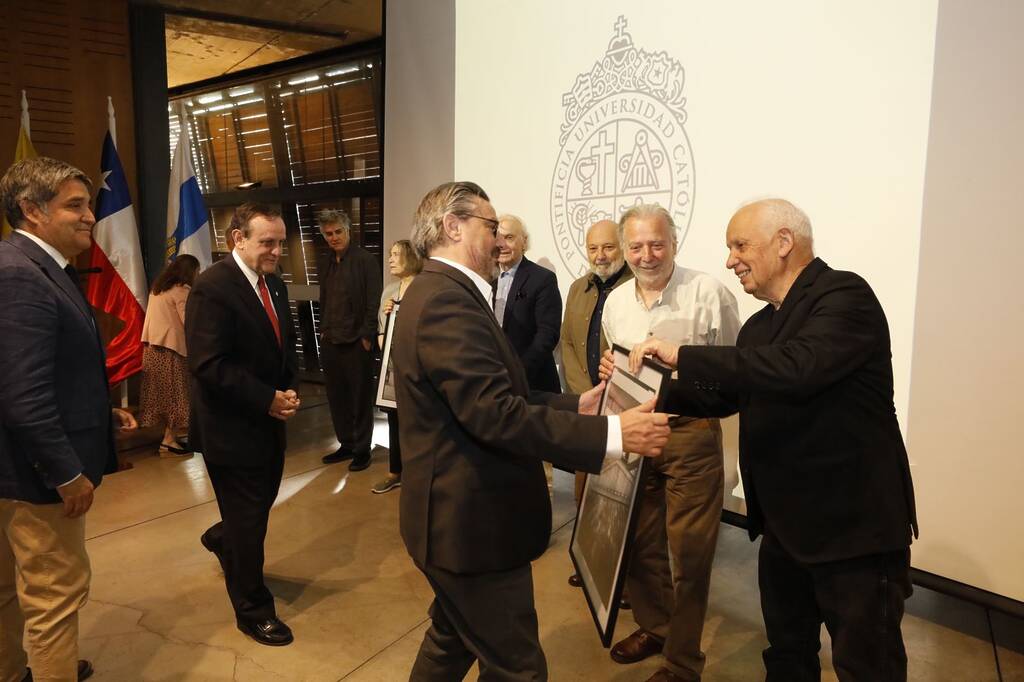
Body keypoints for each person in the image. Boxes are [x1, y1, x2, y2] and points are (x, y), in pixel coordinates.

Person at [623, 198, 918, 682]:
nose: (730, 260)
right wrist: (650, 391)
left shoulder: (844, 295)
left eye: (740, 246)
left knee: (868, 665)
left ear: (784, 242)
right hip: (785, 530)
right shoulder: (760, 325)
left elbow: (798, 367)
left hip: (853, 532)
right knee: (786, 655)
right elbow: (728, 394)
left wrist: (685, 355)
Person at [392, 181, 672, 681]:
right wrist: (613, 434)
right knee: (517, 670)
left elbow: (494, 396)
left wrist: (576, 405)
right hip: (472, 531)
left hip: (459, 526)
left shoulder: (441, 292)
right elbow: (495, 415)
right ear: (453, 227)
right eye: (491, 227)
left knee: (450, 642)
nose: (500, 240)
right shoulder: (445, 301)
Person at [0, 156, 137, 682]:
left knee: (5, 589)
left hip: (16, 467)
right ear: (32, 210)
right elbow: (22, 394)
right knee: (56, 596)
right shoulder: (21, 275)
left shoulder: (33, 266)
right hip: (32, 478)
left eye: (89, 204)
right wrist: (65, 472)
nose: (89, 217)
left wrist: (101, 413)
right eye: (75, 206)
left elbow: (41, 370)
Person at [600, 204, 740, 682]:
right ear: (625, 250)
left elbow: (734, 371)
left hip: (691, 434)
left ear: (674, 243)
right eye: (636, 246)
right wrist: (608, 369)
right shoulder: (616, 302)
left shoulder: (708, 293)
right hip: (635, 433)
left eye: (657, 244)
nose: (647, 255)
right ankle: (656, 627)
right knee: (639, 544)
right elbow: (617, 363)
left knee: (690, 555)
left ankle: (682, 663)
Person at [186, 202, 301, 646]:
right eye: (267, 242)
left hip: (268, 425)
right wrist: (265, 398)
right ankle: (253, 610)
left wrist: (288, 390)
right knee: (250, 524)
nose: (276, 251)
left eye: (280, 242)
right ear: (238, 238)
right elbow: (208, 364)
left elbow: (283, 346)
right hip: (230, 431)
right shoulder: (212, 288)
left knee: (252, 513)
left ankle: (222, 537)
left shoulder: (275, 284)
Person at [559, 218, 634, 587]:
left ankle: (624, 579)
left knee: (619, 498)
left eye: (608, 247)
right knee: (585, 492)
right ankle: (589, 563)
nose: (600, 255)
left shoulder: (635, 287)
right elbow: (567, 343)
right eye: (593, 248)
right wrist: (583, 391)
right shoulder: (578, 288)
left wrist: (609, 394)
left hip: (622, 409)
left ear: (621, 247)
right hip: (587, 405)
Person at [317, 209, 383, 471]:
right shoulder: (326, 261)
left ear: (348, 231)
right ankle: (346, 444)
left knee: (359, 399)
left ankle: (362, 449)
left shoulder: (365, 260)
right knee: (337, 398)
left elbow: (374, 300)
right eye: (328, 234)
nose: (333, 237)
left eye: (338, 232)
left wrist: (367, 336)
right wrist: (323, 329)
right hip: (331, 340)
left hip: (357, 342)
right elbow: (324, 298)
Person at [371, 239, 423, 495]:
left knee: (418, 421)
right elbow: (382, 330)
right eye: (390, 254)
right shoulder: (389, 290)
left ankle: (418, 475)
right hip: (392, 368)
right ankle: (395, 472)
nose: (390, 259)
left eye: (395, 254)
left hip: (418, 370)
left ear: (411, 257)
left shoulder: (424, 288)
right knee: (394, 419)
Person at [139, 254, 200, 458]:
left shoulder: (158, 289)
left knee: (162, 396)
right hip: (171, 349)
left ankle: (168, 437)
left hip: (152, 348)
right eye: (197, 271)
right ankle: (168, 441)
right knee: (177, 395)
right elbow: (189, 321)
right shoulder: (181, 290)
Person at [493, 214, 562, 393]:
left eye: (509, 237)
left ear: (524, 242)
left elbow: (547, 335)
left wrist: (519, 374)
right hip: (495, 383)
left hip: (533, 384)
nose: (501, 244)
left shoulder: (543, 279)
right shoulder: (486, 279)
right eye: (497, 238)